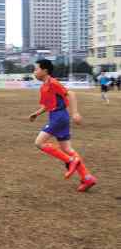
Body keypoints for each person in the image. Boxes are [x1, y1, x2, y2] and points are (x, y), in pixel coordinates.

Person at [29, 59, 96, 192]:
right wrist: (36, 114)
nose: (34, 72)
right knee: (67, 148)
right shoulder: (44, 87)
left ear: (45, 71)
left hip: (59, 117)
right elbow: (47, 105)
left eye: (36, 69)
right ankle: (87, 177)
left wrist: (75, 112)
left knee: (39, 143)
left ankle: (70, 161)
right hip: (58, 117)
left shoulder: (52, 82)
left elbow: (71, 93)